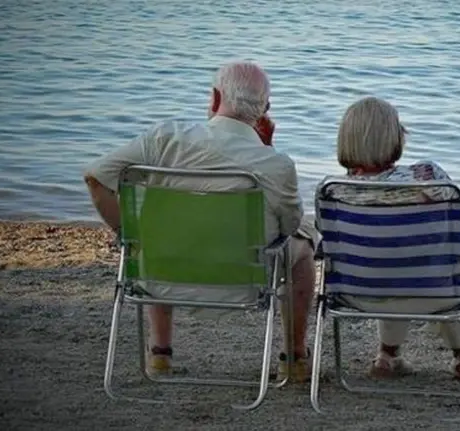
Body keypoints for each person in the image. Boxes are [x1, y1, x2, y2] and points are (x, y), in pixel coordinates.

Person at [83, 61, 317, 382]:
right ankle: (294, 358)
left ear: (215, 97)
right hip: (242, 284)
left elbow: (96, 178)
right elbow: (288, 226)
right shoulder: (275, 163)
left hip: (162, 275)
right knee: (303, 244)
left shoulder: (164, 138)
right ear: (265, 110)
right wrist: (266, 150)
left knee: (159, 233)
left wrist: (130, 237)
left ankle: (160, 355)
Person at [325, 96, 460, 381]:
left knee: (387, 260)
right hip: (435, 295)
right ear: (394, 137)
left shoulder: (334, 192)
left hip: (357, 295)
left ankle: (386, 357)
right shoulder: (429, 178)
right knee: (436, 262)